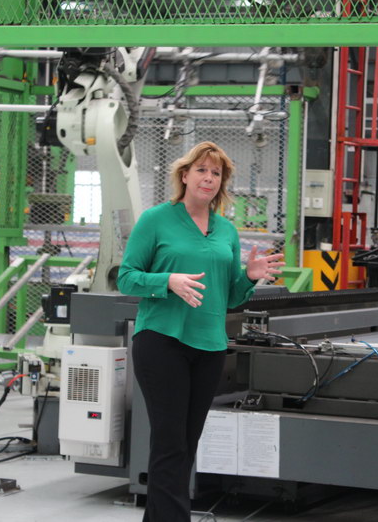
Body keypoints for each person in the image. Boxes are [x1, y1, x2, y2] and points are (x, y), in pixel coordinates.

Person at [117, 141, 284, 522]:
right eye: (202, 170)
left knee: (185, 445)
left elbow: (230, 298)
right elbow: (125, 278)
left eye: (216, 173)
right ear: (184, 175)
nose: (209, 178)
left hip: (209, 346)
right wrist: (167, 281)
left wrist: (249, 277)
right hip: (162, 341)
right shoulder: (156, 220)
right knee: (170, 444)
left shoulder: (226, 230)